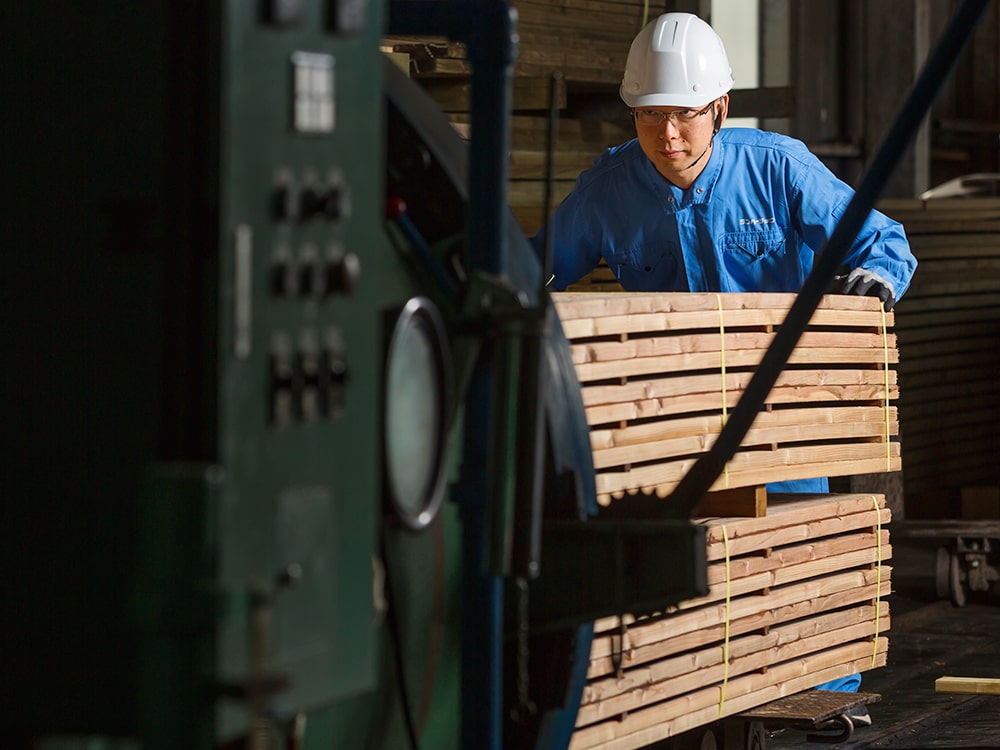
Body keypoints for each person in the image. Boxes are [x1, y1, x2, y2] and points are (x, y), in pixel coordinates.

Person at [532, 12, 917, 718]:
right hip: (669, 416)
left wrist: (870, 290)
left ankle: (816, 694)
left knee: (795, 554)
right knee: (680, 567)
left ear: (720, 109)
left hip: (786, 415)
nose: (667, 136)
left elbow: (883, 245)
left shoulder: (777, 168)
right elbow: (532, 270)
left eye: (683, 116)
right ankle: (680, 694)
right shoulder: (609, 192)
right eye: (650, 118)